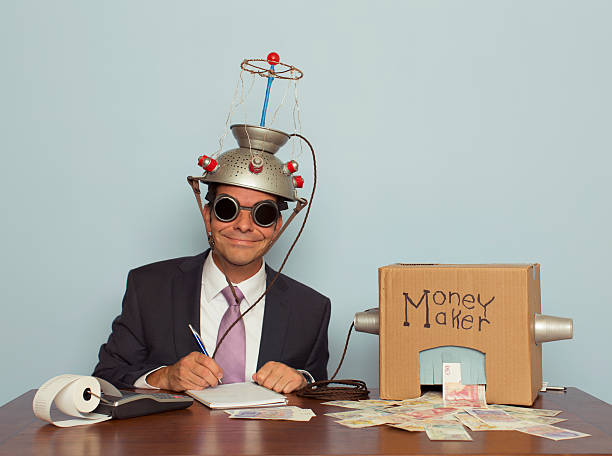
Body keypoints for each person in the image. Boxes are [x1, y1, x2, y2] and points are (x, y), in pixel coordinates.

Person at [93, 125, 330, 394]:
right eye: (227, 209)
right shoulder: (149, 288)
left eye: (261, 215)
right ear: (207, 215)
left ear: (277, 226)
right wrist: (164, 378)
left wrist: (302, 382)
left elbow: (321, 394)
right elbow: (105, 379)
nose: (243, 225)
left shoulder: (311, 310)